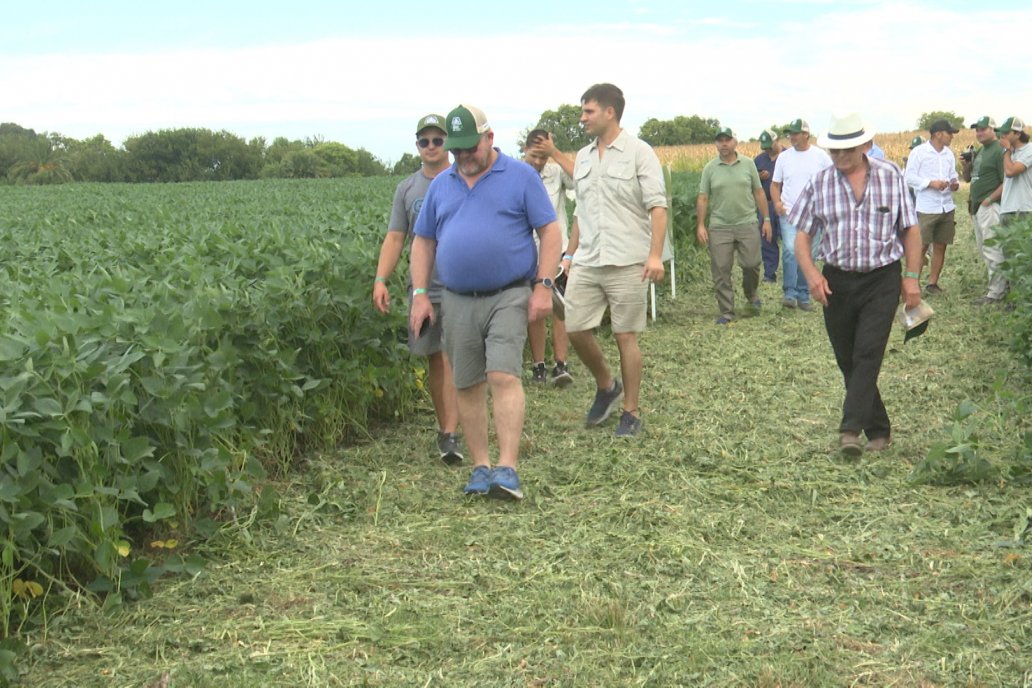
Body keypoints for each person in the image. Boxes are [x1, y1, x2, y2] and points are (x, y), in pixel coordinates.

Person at [410, 104, 560, 500]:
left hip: (508, 292)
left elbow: (549, 230)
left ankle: (507, 468)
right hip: (457, 300)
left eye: (469, 148)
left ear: (489, 138)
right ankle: (480, 466)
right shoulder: (443, 184)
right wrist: (420, 294)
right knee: (467, 382)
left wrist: (544, 285)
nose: (462, 157)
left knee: (503, 375)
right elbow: (423, 241)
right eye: (456, 150)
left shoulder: (520, 176)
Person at [792, 113, 922, 457]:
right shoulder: (820, 183)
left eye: (846, 150)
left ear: (865, 145)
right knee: (847, 358)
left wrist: (911, 278)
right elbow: (802, 237)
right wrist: (812, 276)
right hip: (837, 280)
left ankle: (849, 431)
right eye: (834, 151)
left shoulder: (891, 175)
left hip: (882, 278)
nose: (839, 157)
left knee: (868, 352)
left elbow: (910, 229)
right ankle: (879, 429)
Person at [561, 83, 667, 437]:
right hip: (588, 259)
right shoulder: (585, 157)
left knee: (625, 336)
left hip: (627, 260)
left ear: (610, 111)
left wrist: (654, 256)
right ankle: (607, 385)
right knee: (574, 326)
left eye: (588, 111)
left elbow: (657, 207)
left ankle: (631, 412)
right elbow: (580, 213)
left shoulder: (639, 152)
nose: (582, 118)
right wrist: (569, 254)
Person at [372, 114, 462, 464]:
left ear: (447, 144)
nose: (430, 147)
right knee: (435, 359)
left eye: (437, 141)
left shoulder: (463, 179)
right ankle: (447, 431)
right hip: (423, 288)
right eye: (423, 141)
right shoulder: (407, 189)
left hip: (461, 286)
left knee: (455, 357)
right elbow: (396, 237)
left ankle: (454, 432)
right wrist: (381, 279)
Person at [697, 128, 772, 324]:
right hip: (720, 227)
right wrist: (700, 225)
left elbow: (758, 193)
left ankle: (751, 293)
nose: (723, 144)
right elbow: (703, 198)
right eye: (720, 140)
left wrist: (766, 219)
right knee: (721, 269)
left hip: (747, 223)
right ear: (716, 144)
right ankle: (727, 311)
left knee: (751, 264)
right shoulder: (710, 168)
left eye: (727, 140)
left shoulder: (748, 164)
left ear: (735, 142)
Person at [523, 129, 576, 386]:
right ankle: (538, 365)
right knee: (534, 310)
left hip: (557, 251)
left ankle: (561, 364)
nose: (538, 162)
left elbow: (581, 180)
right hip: (528, 252)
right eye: (534, 156)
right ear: (524, 151)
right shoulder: (517, 176)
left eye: (542, 157)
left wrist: (554, 152)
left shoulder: (555, 173)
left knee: (559, 309)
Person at [771, 118, 832, 310]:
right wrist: (777, 202)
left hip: (813, 214)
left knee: (809, 254)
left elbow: (832, 181)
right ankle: (789, 293)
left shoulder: (821, 157)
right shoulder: (784, 157)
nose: (792, 137)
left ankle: (803, 295)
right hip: (789, 212)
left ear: (806, 134)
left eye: (796, 133)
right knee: (790, 250)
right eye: (790, 134)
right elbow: (775, 185)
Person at [904, 119, 960, 295]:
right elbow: (909, 177)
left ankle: (932, 283)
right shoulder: (919, 153)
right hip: (927, 207)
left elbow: (953, 175)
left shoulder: (949, 154)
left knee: (941, 245)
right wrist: (930, 183)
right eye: (949, 133)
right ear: (938, 134)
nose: (952, 136)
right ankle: (913, 285)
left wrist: (954, 183)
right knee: (920, 247)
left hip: (946, 206)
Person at [961, 116, 1007, 305]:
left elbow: (1007, 181)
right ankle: (998, 287)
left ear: (993, 129)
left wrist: (989, 199)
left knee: (992, 248)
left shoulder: (998, 151)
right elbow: (968, 179)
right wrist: (966, 164)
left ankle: (996, 293)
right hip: (978, 206)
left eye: (983, 129)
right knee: (984, 249)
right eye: (977, 130)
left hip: (990, 206)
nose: (979, 133)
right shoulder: (981, 150)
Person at [753, 129, 783, 282]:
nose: (767, 150)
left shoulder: (788, 156)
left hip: (786, 204)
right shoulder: (758, 160)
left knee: (792, 241)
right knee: (767, 239)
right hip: (766, 204)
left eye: (769, 146)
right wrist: (758, 176)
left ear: (777, 141)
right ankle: (769, 273)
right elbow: (750, 180)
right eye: (764, 147)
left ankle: (797, 273)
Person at [998, 116, 1032, 227]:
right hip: (1006, 209)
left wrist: (1006, 150)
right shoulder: (1010, 153)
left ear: (1018, 134)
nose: (1002, 135)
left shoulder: (1029, 149)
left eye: (1006, 132)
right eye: (1001, 132)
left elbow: (1010, 172)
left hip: (1023, 209)